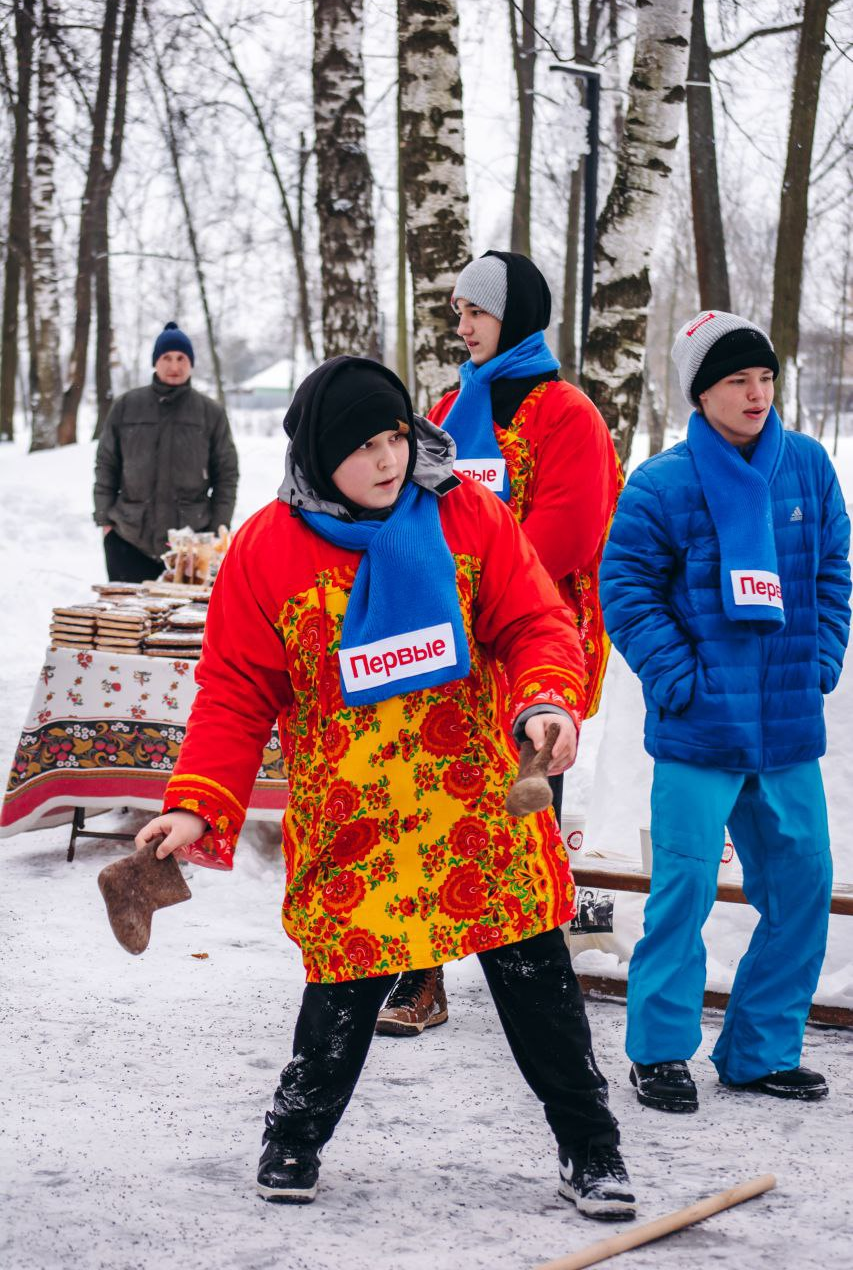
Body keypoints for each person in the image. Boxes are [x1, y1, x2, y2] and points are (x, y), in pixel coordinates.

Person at [134, 355, 636, 1219]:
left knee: (536, 983)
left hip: (478, 811)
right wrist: (195, 803)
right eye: (364, 444)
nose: (388, 459)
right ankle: (292, 1139)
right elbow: (234, 692)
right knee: (341, 994)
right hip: (355, 823)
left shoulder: (466, 515)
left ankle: (590, 1148)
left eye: (397, 435)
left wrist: (546, 700)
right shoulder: (267, 548)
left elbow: (533, 622)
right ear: (320, 454)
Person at [599, 311, 851, 1113]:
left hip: (782, 730)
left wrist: (818, 661)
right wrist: (679, 679)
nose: (754, 394)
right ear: (699, 394)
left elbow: (834, 569)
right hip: (699, 729)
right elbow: (626, 591)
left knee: (802, 890)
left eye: (764, 378)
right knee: (685, 894)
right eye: (735, 381)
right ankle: (660, 1053)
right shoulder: (662, 483)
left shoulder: (807, 467)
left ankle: (758, 1051)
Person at [376, 251, 621, 1037]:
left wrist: (483, 600)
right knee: (435, 795)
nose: (462, 325)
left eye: (474, 311)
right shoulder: (449, 408)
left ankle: (552, 967)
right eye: (457, 313)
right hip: (448, 637)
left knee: (527, 807)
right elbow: (419, 510)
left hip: (532, 637)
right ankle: (423, 977)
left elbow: (569, 533)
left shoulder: (565, 412)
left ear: (511, 315)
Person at [93, 321, 239, 583]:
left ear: (191, 363)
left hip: (191, 546)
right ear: (155, 362)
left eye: (181, 358)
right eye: (167, 357)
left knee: (182, 623)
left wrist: (218, 528)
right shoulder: (126, 406)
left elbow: (226, 473)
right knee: (126, 623)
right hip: (128, 540)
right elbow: (106, 464)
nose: (174, 366)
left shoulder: (210, 413)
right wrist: (106, 521)